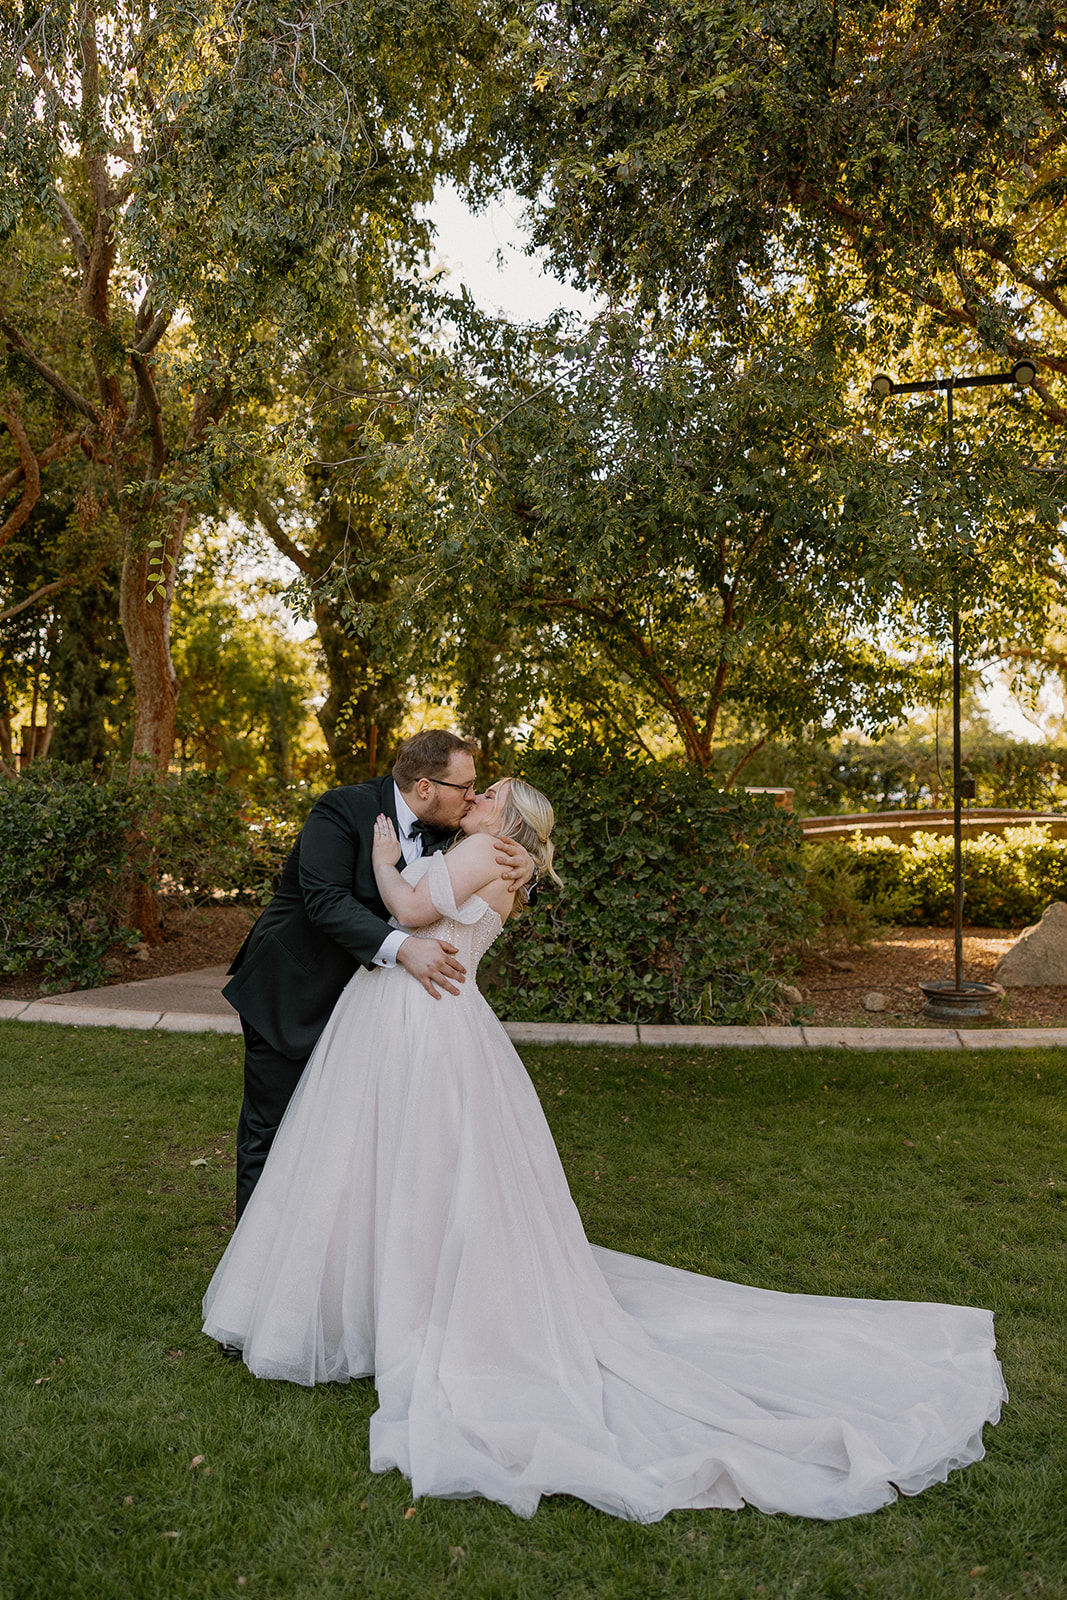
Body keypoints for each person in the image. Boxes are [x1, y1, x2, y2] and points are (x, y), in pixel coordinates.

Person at [203, 779, 1006, 1523]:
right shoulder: (504, 863)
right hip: (438, 1022)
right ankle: (392, 1294)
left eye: (489, 794)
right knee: (429, 1170)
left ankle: (386, 1305)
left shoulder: (485, 850)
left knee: (409, 1165)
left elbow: (412, 915)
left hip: (422, 1018)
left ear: (506, 820)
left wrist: (382, 862)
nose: (475, 797)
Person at [222, 730, 533, 1219]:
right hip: (296, 988)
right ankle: (255, 1269)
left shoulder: (446, 825)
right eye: (466, 787)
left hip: (370, 1008)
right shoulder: (341, 810)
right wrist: (405, 948)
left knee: (340, 1137)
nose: (473, 796)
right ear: (426, 787)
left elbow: (480, 878)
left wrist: (528, 864)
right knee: (274, 1130)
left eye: (479, 789)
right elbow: (325, 900)